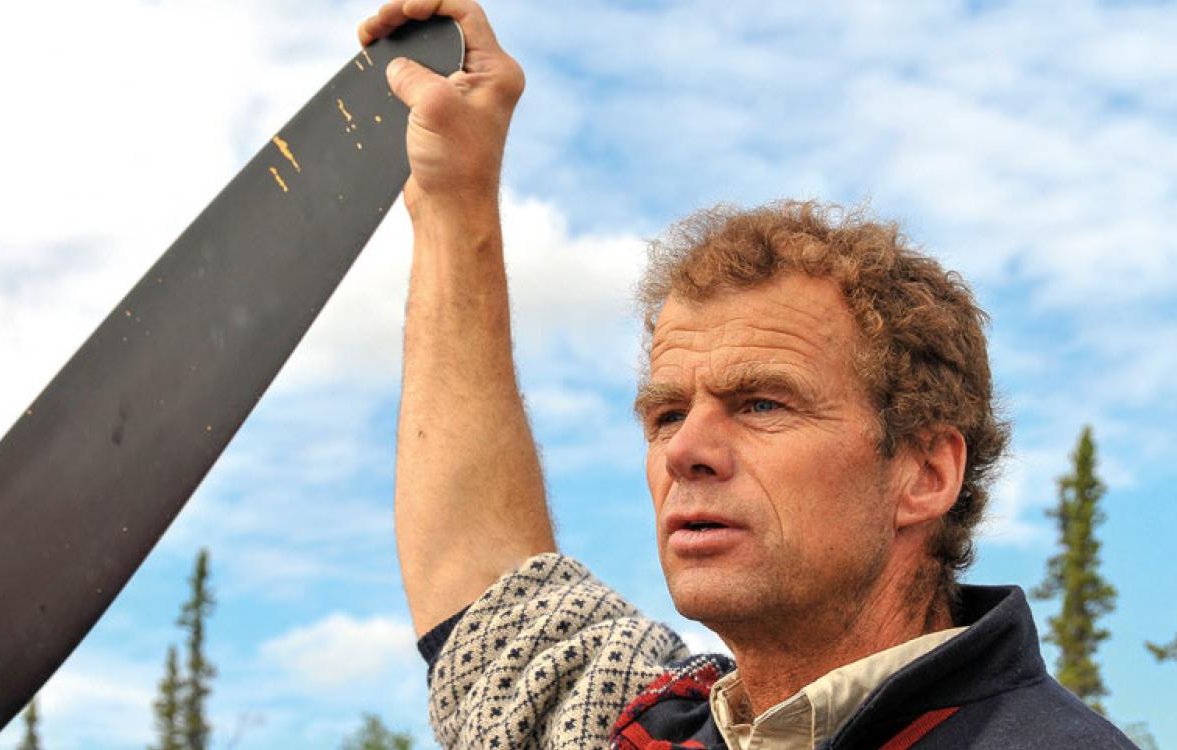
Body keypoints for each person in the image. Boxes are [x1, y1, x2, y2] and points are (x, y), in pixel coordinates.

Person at [360, 2, 1136, 748]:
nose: (685, 451)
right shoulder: (652, 729)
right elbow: (494, 607)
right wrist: (453, 203)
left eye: (761, 403)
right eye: (666, 414)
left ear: (925, 472)